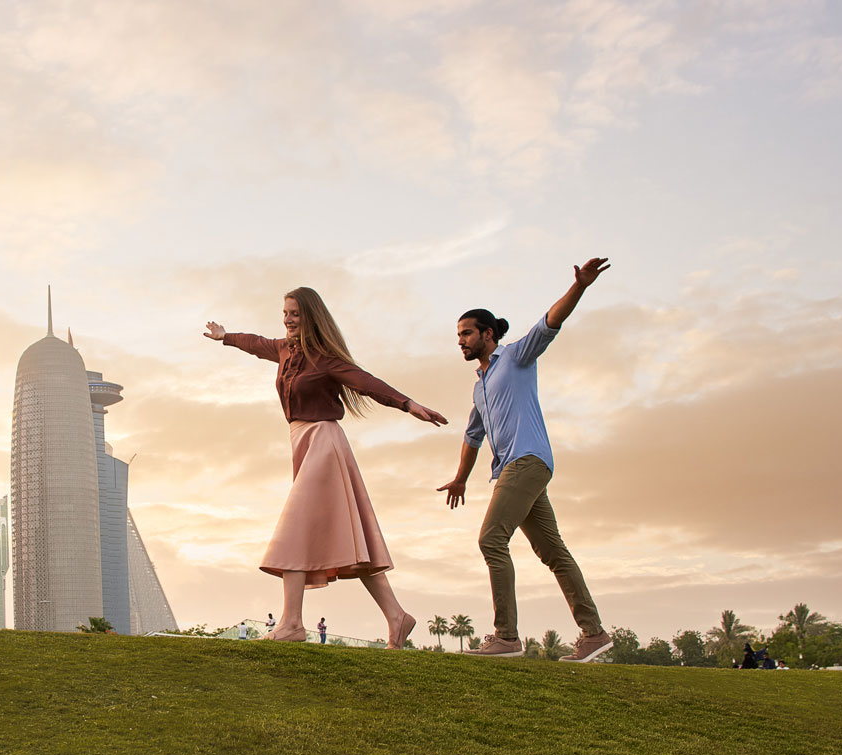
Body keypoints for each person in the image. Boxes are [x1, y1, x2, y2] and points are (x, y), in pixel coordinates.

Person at [205, 286, 448, 648]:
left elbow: (366, 383)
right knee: (349, 536)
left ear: (311, 317)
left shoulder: (326, 358)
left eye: (295, 314)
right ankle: (397, 617)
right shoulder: (284, 349)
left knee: (294, 527)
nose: (288, 320)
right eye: (285, 313)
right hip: (301, 442)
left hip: (324, 442)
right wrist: (227, 338)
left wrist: (408, 404)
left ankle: (290, 624)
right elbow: (257, 344)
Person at [437, 258, 614, 663]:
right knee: (553, 551)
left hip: (527, 461)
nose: (460, 341)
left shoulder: (515, 357)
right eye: (458, 335)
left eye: (466, 333)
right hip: (514, 469)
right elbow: (471, 437)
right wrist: (460, 478)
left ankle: (506, 637)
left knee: (491, 539)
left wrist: (580, 287)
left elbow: (549, 322)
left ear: (487, 334)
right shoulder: (480, 387)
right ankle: (594, 634)